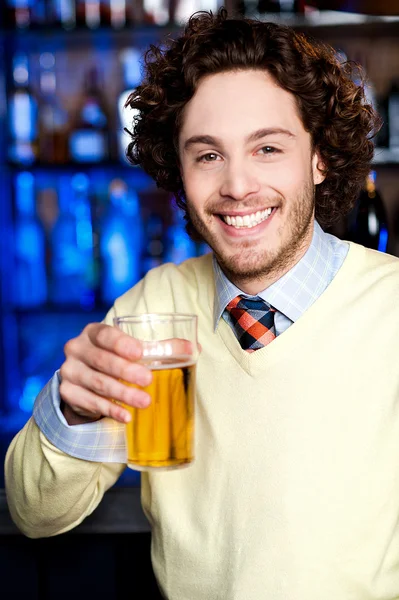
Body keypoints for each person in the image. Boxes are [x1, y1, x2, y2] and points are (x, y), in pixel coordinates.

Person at [5, 8, 399, 600]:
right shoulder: (152, 306)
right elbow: (35, 515)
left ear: (318, 158)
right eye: (208, 154)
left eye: (267, 148)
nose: (237, 185)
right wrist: (71, 411)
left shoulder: (389, 304)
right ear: (179, 169)